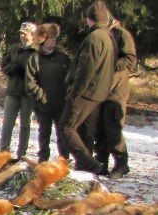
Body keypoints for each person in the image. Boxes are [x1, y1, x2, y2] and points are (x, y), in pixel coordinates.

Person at [61, 1, 115, 174]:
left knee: (66, 127)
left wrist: (74, 93)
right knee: (86, 130)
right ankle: (87, 165)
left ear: (89, 18)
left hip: (86, 91)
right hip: (99, 93)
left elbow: (86, 69)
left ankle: (89, 163)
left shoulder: (94, 38)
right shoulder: (108, 37)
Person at [92, 17, 137, 178]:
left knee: (113, 127)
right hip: (101, 88)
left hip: (116, 90)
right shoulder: (100, 35)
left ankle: (121, 163)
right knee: (100, 127)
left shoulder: (121, 34)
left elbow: (130, 60)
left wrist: (110, 64)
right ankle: (101, 162)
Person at [25, 23, 71, 163]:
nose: (53, 40)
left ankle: (64, 160)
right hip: (43, 105)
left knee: (62, 133)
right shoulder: (34, 59)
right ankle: (43, 159)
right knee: (44, 132)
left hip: (61, 103)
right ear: (43, 39)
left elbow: (71, 77)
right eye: (50, 38)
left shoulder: (63, 58)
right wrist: (41, 96)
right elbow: (30, 82)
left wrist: (68, 95)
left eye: (54, 38)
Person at [0, 22, 38, 159]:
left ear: (33, 35)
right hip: (13, 90)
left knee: (25, 124)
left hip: (28, 93)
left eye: (25, 34)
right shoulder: (14, 48)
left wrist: (27, 71)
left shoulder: (37, 51)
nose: (22, 36)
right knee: (8, 122)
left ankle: (22, 153)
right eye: (20, 33)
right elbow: (4, 64)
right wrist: (12, 68)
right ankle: (4, 149)